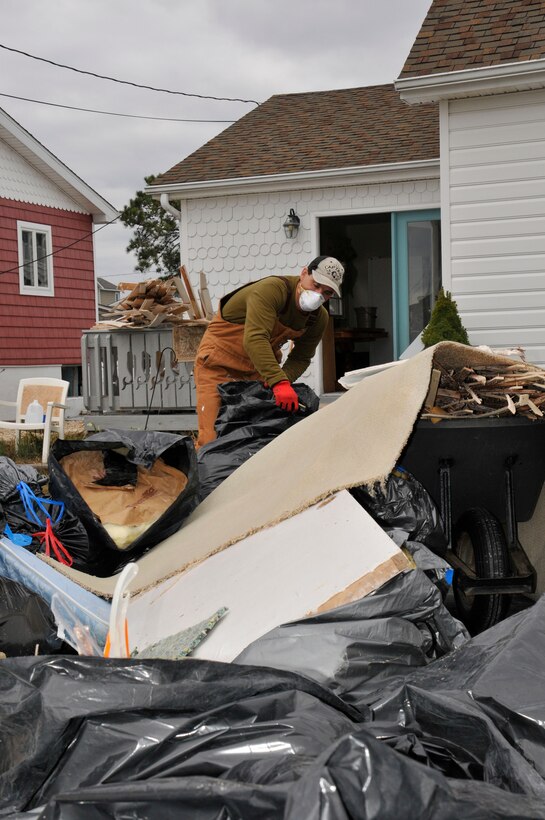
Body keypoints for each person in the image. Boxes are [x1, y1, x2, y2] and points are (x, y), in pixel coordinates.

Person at [193, 255, 344, 448]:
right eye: (315, 285)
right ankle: (207, 478)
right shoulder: (272, 290)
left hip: (258, 373)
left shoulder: (318, 318)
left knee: (252, 440)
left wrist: (281, 380)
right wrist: (278, 381)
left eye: (327, 292)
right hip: (218, 365)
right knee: (213, 439)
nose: (319, 294)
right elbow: (255, 338)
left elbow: (302, 357)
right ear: (304, 272)